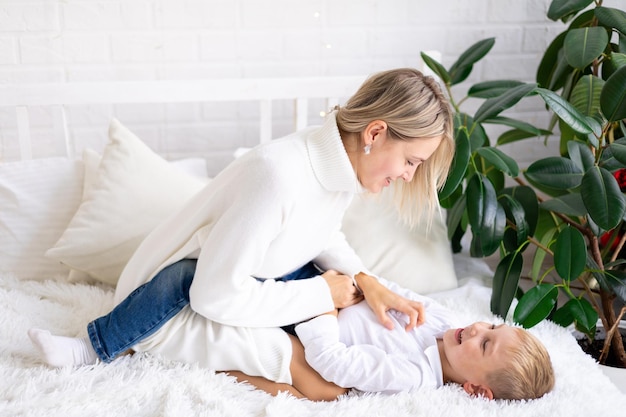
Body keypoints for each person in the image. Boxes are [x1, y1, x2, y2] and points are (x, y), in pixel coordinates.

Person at [28, 68, 455, 381]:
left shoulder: (338, 167)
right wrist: (317, 293)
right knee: (314, 377)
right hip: (171, 301)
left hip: (244, 280)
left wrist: (365, 277)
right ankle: (95, 348)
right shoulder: (280, 175)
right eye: (411, 162)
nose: (408, 176)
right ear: (376, 133)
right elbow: (211, 294)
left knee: (335, 315)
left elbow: (320, 231)